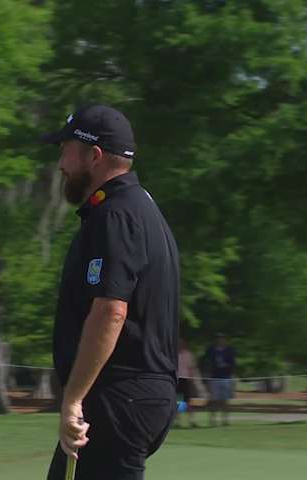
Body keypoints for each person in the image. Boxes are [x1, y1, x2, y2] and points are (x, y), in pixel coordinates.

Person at [41, 105, 180, 480]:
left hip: (120, 397)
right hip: (134, 396)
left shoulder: (115, 215)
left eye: (65, 151)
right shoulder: (141, 207)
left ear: (94, 156)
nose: (60, 165)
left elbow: (111, 311)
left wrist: (73, 398)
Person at [202, 333, 236, 427]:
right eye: (218, 338)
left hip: (226, 378)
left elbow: (233, 364)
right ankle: (212, 421)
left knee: (225, 400)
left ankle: (225, 420)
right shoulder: (211, 350)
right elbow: (205, 362)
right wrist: (207, 375)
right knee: (213, 400)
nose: (220, 340)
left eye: (222, 338)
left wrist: (232, 376)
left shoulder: (229, 350)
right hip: (214, 378)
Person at [176, 339, 202, 428]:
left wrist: (193, 379)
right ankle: (178, 422)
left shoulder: (188, 354)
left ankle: (192, 421)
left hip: (186, 381)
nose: (180, 345)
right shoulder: (173, 354)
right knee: (179, 402)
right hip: (177, 381)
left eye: (181, 343)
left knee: (188, 402)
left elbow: (192, 368)